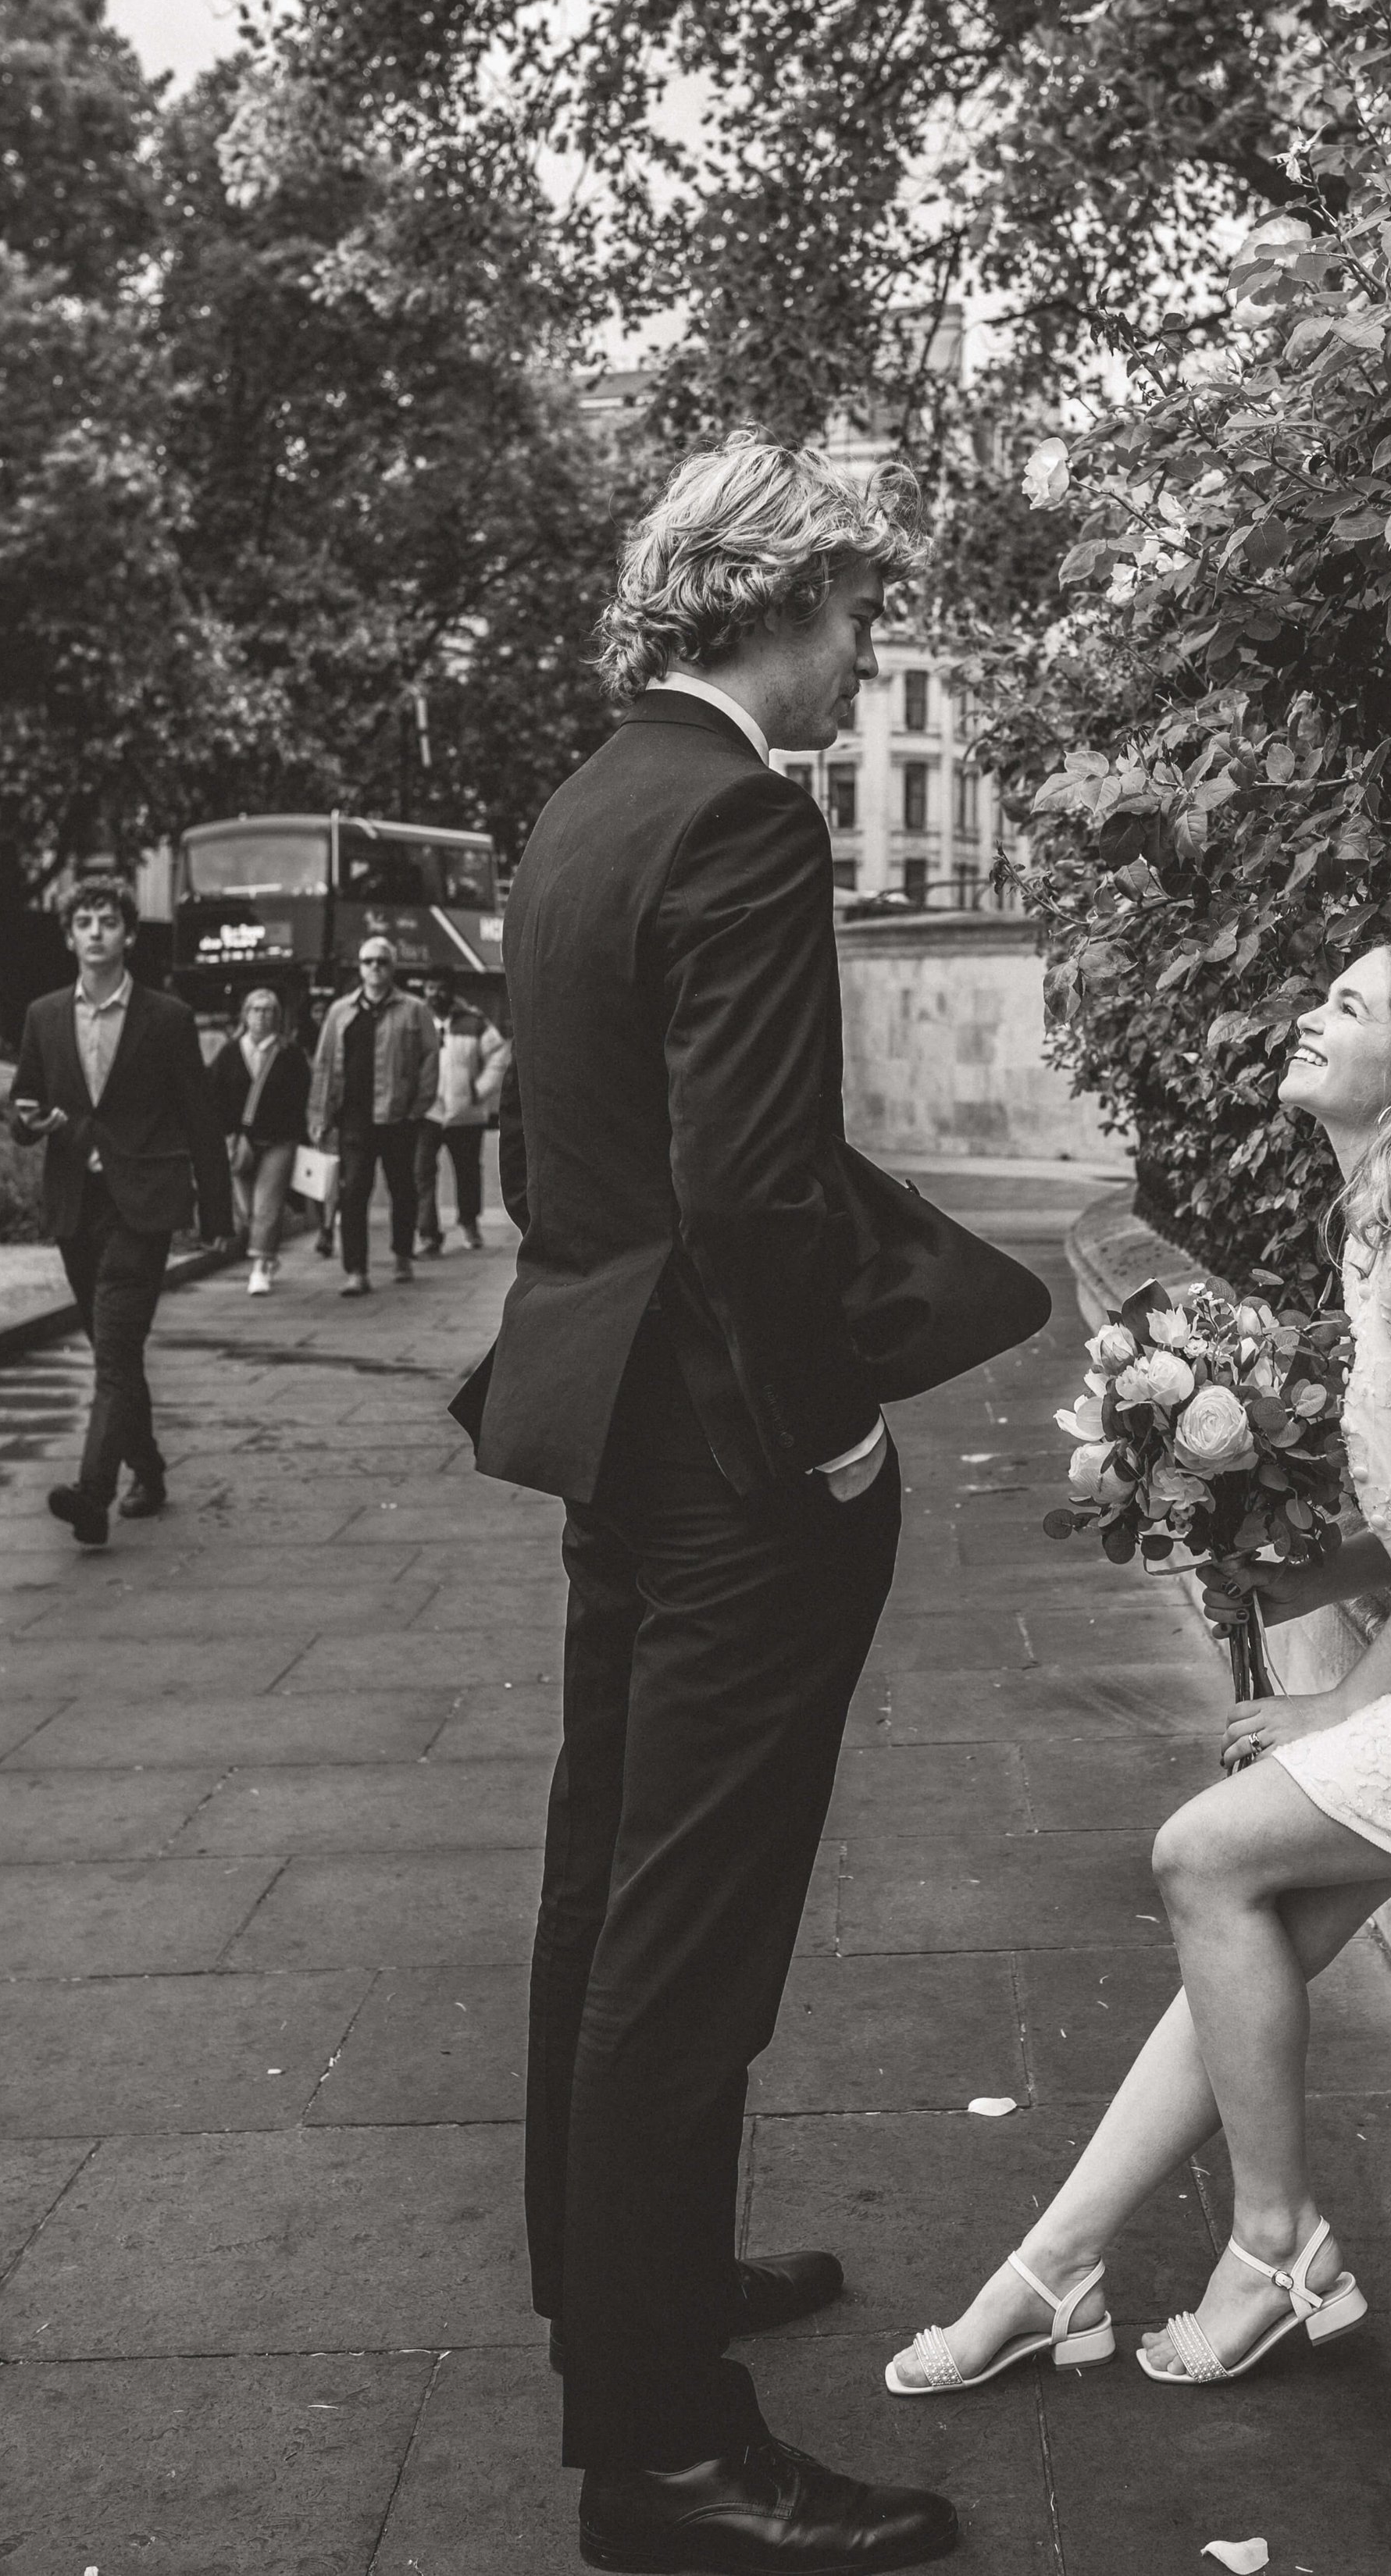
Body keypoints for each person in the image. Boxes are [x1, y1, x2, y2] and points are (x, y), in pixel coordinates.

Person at [886, 932, 1391, 2400]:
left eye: (1350, 1005)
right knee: (1242, 1936)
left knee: (1203, 1856)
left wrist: (1339, 1699)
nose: (1311, 1017)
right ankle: (1052, 2266)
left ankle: (1274, 2243)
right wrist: (1298, 1578)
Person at [465, 433, 959, 2574]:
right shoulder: (744, 818)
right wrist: (837, 1429)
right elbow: (753, 1194)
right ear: (777, 599)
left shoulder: (586, 803)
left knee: (606, 1893)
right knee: (685, 1938)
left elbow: (582, 1157)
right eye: (857, 612)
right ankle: (662, 2453)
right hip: (733, 1454)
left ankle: (623, 2288)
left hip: (608, 1420)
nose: (864, 656)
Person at [9, 875, 232, 1545]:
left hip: (145, 1205)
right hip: (76, 1205)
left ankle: (92, 1495)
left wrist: (218, 1215)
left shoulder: (168, 1018)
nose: (97, 933)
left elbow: (200, 1119)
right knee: (116, 1353)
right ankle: (150, 1471)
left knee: (113, 1350)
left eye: (108, 921)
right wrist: (29, 1123)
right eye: (85, 923)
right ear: (70, 937)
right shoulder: (44, 1015)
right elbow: (23, 1104)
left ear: (128, 934)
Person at [307, 936, 438, 1298]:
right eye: (368, 962)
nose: (375, 968)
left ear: (392, 967)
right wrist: (319, 1114)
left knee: (403, 1190)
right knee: (353, 1194)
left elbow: (430, 1059)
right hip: (354, 1119)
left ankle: (402, 1255)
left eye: (382, 961)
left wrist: (418, 1107)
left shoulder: (414, 1010)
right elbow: (323, 1065)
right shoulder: (340, 1012)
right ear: (360, 968)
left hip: (399, 1118)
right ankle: (356, 1271)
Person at [209, 987, 312, 1295]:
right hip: (240, 1141)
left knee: (267, 1203)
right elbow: (214, 1093)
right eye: (255, 1009)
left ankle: (259, 1268)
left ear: (277, 1016)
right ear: (245, 1014)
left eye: (268, 1010)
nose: (261, 1016)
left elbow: (301, 1096)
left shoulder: (289, 1053)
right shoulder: (230, 1052)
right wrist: (225, 1132)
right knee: (248, 1209)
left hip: (279, 1141)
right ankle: (268, 1253)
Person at [414, 972, 509, 1255]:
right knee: (421, 1172)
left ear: (452, 992)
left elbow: (499, 1056)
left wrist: (478, 1091)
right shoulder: (417, 1019)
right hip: (427, 1112)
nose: (434, 994)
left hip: (465, 1113)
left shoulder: (474, 1021)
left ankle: (469, 1224)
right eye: (430, 987)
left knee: (467, 1173)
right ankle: (428, 1233)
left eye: (440, 988)